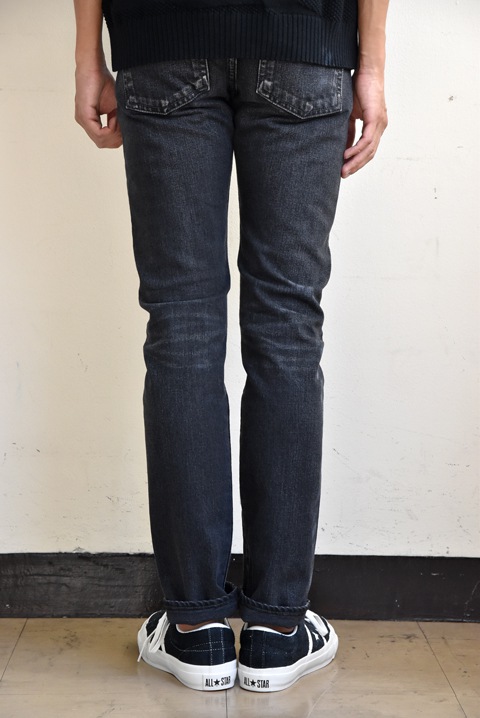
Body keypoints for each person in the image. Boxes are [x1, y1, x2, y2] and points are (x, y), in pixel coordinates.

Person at [74, 0, 388, 693]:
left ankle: (197, 630)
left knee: (181, 325)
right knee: (287, 329)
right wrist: (372, 63)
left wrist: (87, 54)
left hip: (163, 37)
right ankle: (277, 630)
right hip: (304, 40)